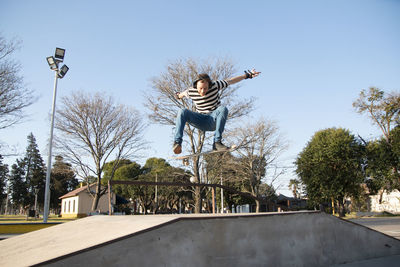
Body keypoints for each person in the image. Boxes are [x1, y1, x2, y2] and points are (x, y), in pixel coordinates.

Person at [173, 69, 261, 154]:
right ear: (196, 86)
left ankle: (217, 143)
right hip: (200, 121)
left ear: (209, 85)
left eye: (205, 88)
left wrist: (247, 75)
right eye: (200, 88)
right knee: (182, 111)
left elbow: (230, 81)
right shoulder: (191, 91)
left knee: (222, 109)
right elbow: (180, 95)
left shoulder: (216, 85)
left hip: (213, 120)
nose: (203, 91)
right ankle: (177, 143)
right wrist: (177, 95)